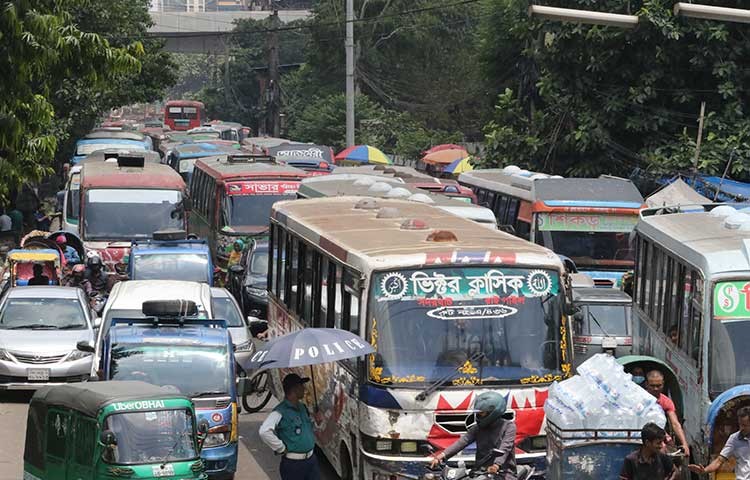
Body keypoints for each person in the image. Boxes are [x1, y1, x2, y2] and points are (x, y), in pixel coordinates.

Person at [429, 391, 517, 478]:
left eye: (482, 413)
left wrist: (496, 465)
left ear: (493, 412)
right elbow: (462, 441)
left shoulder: (508, 427)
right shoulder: (478, 428)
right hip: (480, 471)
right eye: (478, 413)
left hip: (503, 472)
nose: (478, 415)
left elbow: (505, 447)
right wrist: (442, 456)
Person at [259, 373, 320, 480]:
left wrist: (317, 420)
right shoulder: (280, 411)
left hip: (311, 460)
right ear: (294, 389)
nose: (304, 389)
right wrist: (280, 447)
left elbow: (307, 430)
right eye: (301, 386)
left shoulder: (302, 407)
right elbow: (264, 431)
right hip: (293, 464)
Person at [689, 406, 750, 479]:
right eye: (740, 424)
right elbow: (719, 461)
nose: (741, 428)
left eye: (744, 425)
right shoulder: (734, 439)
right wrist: (705, 470)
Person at [646, 370, 690, 459]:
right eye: (652, 386)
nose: (655, 389)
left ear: (663, 384)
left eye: (658, 386)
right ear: (646, 384)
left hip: (659, 436)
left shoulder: (666, 401)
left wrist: (684, 444)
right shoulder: (640, 398)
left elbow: (675, 424)